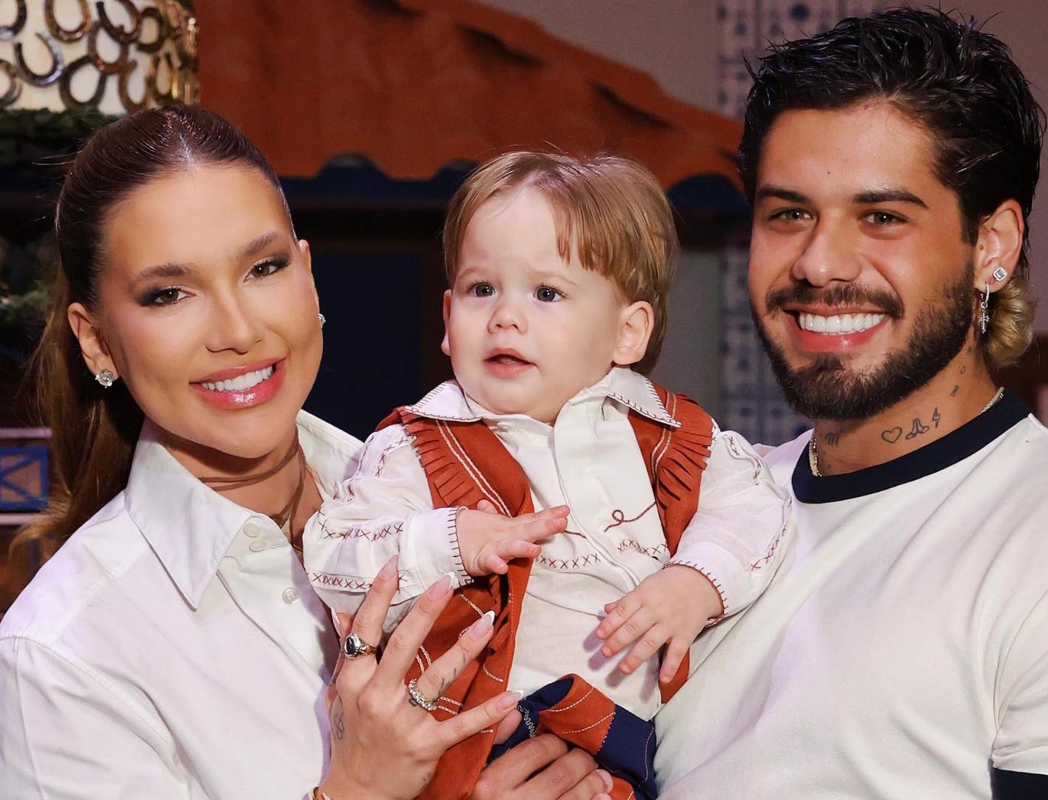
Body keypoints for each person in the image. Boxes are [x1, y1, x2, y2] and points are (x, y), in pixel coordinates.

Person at [0, 105, 616, 800]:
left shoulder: (458, 488)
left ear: (308, 275)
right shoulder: (57, 661)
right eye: (169, 294)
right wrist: (357, 791)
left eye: (263, 268)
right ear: (97, 340)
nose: (237, 330)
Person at [655, 7, 1048, 798]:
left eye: (882, 217)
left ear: (991, 246)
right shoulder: (706, 507)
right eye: (789, 214)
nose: (820, 263)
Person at [303, 151, 790, 799]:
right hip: (470, 740)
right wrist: (450, 538)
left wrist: (697, 580)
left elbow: (756, 502)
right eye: (482, 290)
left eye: (547, 293)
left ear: (627, 333)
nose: (505, 316)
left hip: (629, 746)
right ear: (447, 320)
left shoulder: (670, 438)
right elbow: (333, 555)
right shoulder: (416, 446)